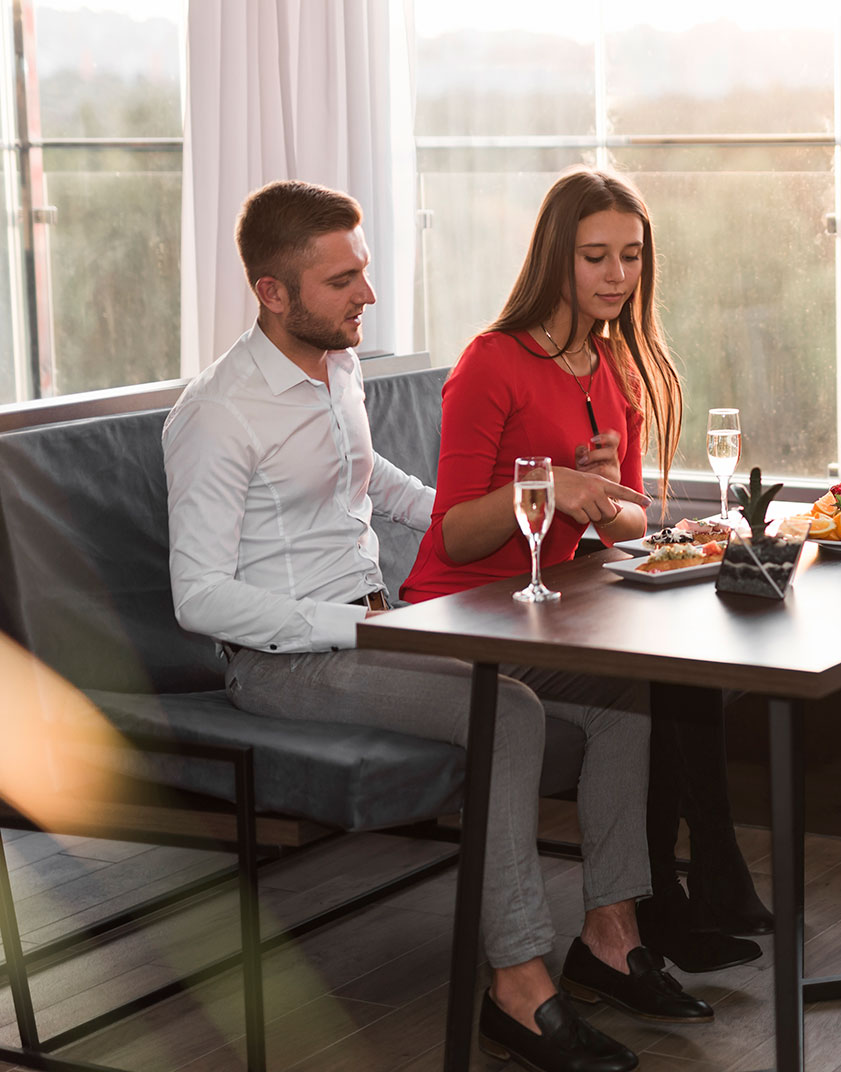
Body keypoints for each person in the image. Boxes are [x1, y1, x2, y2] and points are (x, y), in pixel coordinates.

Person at [162, 180, 707, 1072]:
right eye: (342, 281)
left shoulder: (333, 367)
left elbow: (374, 482)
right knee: (512, 711)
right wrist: (355, 629)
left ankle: (609, 935)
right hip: (283, 663)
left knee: (623, 694)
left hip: (381, 626)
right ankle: (520, 989)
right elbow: (200, 597)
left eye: (363, 271)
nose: (366, 296)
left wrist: (497, 506)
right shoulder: (218, 415)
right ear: (272, 292)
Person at [401, 166, 771, 979]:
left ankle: (629, 928)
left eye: (631, 258)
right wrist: (550, 488)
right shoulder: (490, 363)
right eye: (596, 257)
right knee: (656, 691)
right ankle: (679, 898)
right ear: (555, 260)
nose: (616, 277)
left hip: (547, 613)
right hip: (456, 614)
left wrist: (602, 495)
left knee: (665, 686)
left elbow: (635, 520)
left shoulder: (616, 371)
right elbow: (456, 532)